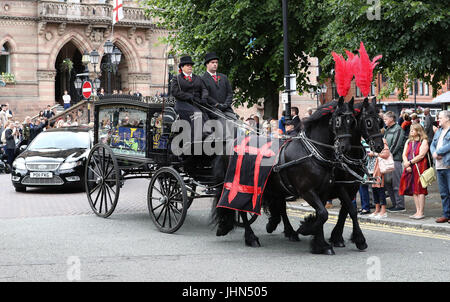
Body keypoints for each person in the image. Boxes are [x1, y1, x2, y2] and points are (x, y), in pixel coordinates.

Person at [170, 55, 209, 143]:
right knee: (197, 114)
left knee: (208, 114)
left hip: (197, 103)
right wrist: (189, 97)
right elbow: (175, 92)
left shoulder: (198, 78)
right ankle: (194, 140)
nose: (190, 67)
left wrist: (204, 98)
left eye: (191, 65)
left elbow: (204, 89)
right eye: (187, 65)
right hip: (182, 104)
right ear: (182, 67)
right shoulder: (176, 79)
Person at [399, 123, 429, 219]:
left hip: (420, 167)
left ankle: (421, 212)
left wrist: (410, 162)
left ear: (419, 131)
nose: (411, 131)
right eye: (411, 130)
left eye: (413, 130)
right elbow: (404, 154)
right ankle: (417, 211)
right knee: (414, 190)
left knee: (420, 190)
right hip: (410, 167)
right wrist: (406, 163)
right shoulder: (408, 141)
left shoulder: (423, 141)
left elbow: (421, 155)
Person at [383, 111, 406, 212]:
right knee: (388, 184)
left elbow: (396, 144)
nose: (384, 121)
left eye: (386, 119)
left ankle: (400, 205)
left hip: (395, 159)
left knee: (396, 184)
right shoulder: (387, 129)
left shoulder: (398, 129)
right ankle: (394, 204)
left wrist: (387, 155)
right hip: (387, 159)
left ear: (391, 119)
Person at [430, 110, 450, 223]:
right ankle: (446, 214)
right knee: (443, 193)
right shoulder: (439, 131)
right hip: (439, 166)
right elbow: (432, 143)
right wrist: (434, 153)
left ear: (447, 118)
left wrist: (439, 152)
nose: (439, 120)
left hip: (448, 165)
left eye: (440, 118)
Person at [201, 52, 235, 119]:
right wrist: (217, 104)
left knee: (234, 122)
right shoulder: (202, 79)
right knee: (223, 122)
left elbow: (230, 93)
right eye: (212, 62)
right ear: (207, 64)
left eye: (216, 62)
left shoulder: (224, 77)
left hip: (226, 109)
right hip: (212, 110)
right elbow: (205, 95)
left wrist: (226, 105)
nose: (215, 64)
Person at [368, 138, 391, 219]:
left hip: (379, 169)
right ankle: (377, 210)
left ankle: (383, 211)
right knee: (374, 190)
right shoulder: (371, 141)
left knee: (380, 190)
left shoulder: (382, 141)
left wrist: (374, 154)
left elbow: (386, 154)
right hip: (371, 169)